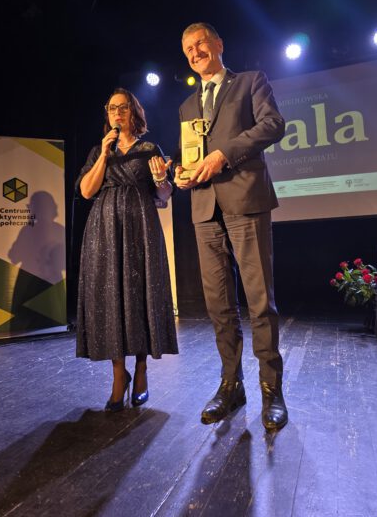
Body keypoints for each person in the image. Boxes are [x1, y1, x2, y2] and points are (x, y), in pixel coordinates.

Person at [174, 23, 288, 430]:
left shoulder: (250, 82)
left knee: (259, 302)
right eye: (188, 49)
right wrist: (182, 173)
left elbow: (273, 125)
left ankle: (271, 390)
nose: (194, 52)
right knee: (219, 306)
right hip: (205, 209)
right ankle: (231, 385)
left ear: (219, 44)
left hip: (245, 200)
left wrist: (224, 154)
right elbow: (191, 154)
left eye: (200, 43)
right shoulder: (187, 105)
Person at [76, 88, 178, 411]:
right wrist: (104, 156)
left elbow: (163, 195)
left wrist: (161, 180)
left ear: (134, 113)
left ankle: (142, 368)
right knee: (111, 298)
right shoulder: (99, 150)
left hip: (140, 229)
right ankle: (119, 374)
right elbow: (86, 191)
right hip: (104, 231)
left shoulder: (149, 150)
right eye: (112, 109)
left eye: (123, 108)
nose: (117, 113)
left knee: (140, 294)